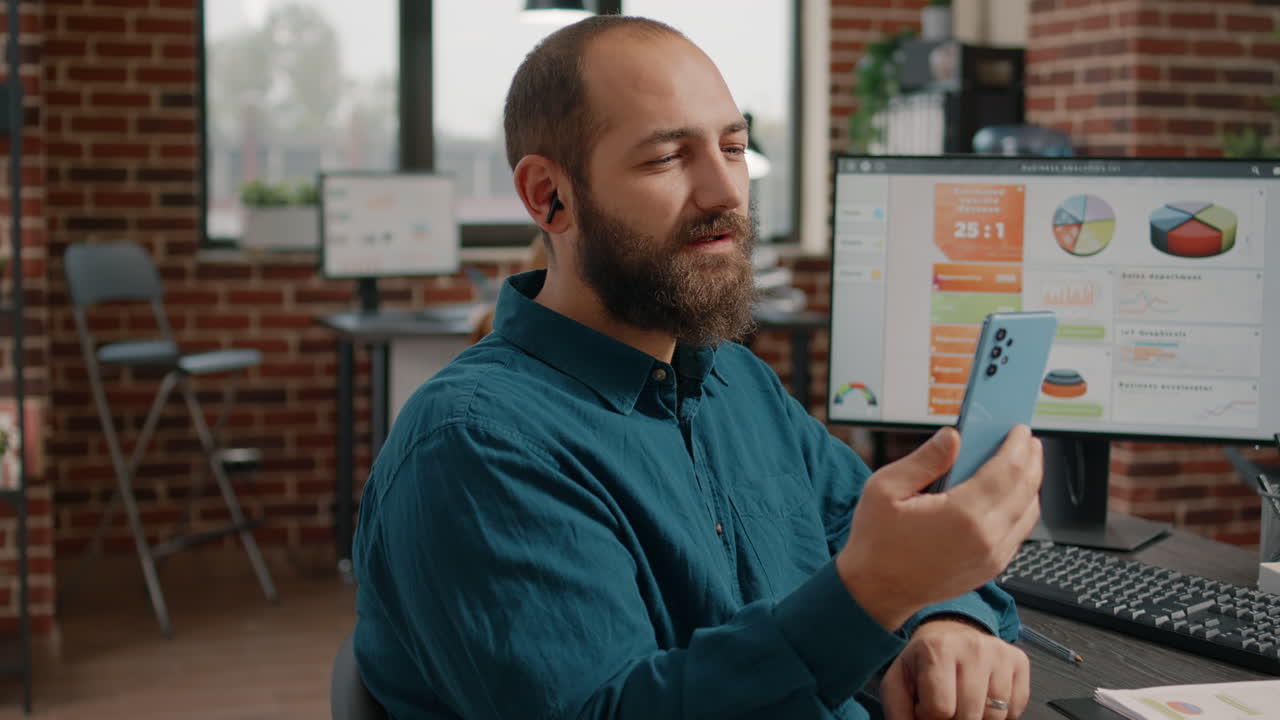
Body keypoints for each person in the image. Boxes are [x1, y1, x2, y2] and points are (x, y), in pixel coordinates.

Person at [353, 15, 1042, 720]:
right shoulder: (474, 446)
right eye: (666, 158)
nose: (725, 192)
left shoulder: (735, 383)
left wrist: (949, 622)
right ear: (549, 196)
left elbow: (881, 535)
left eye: (734, 147)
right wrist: (872, 592)